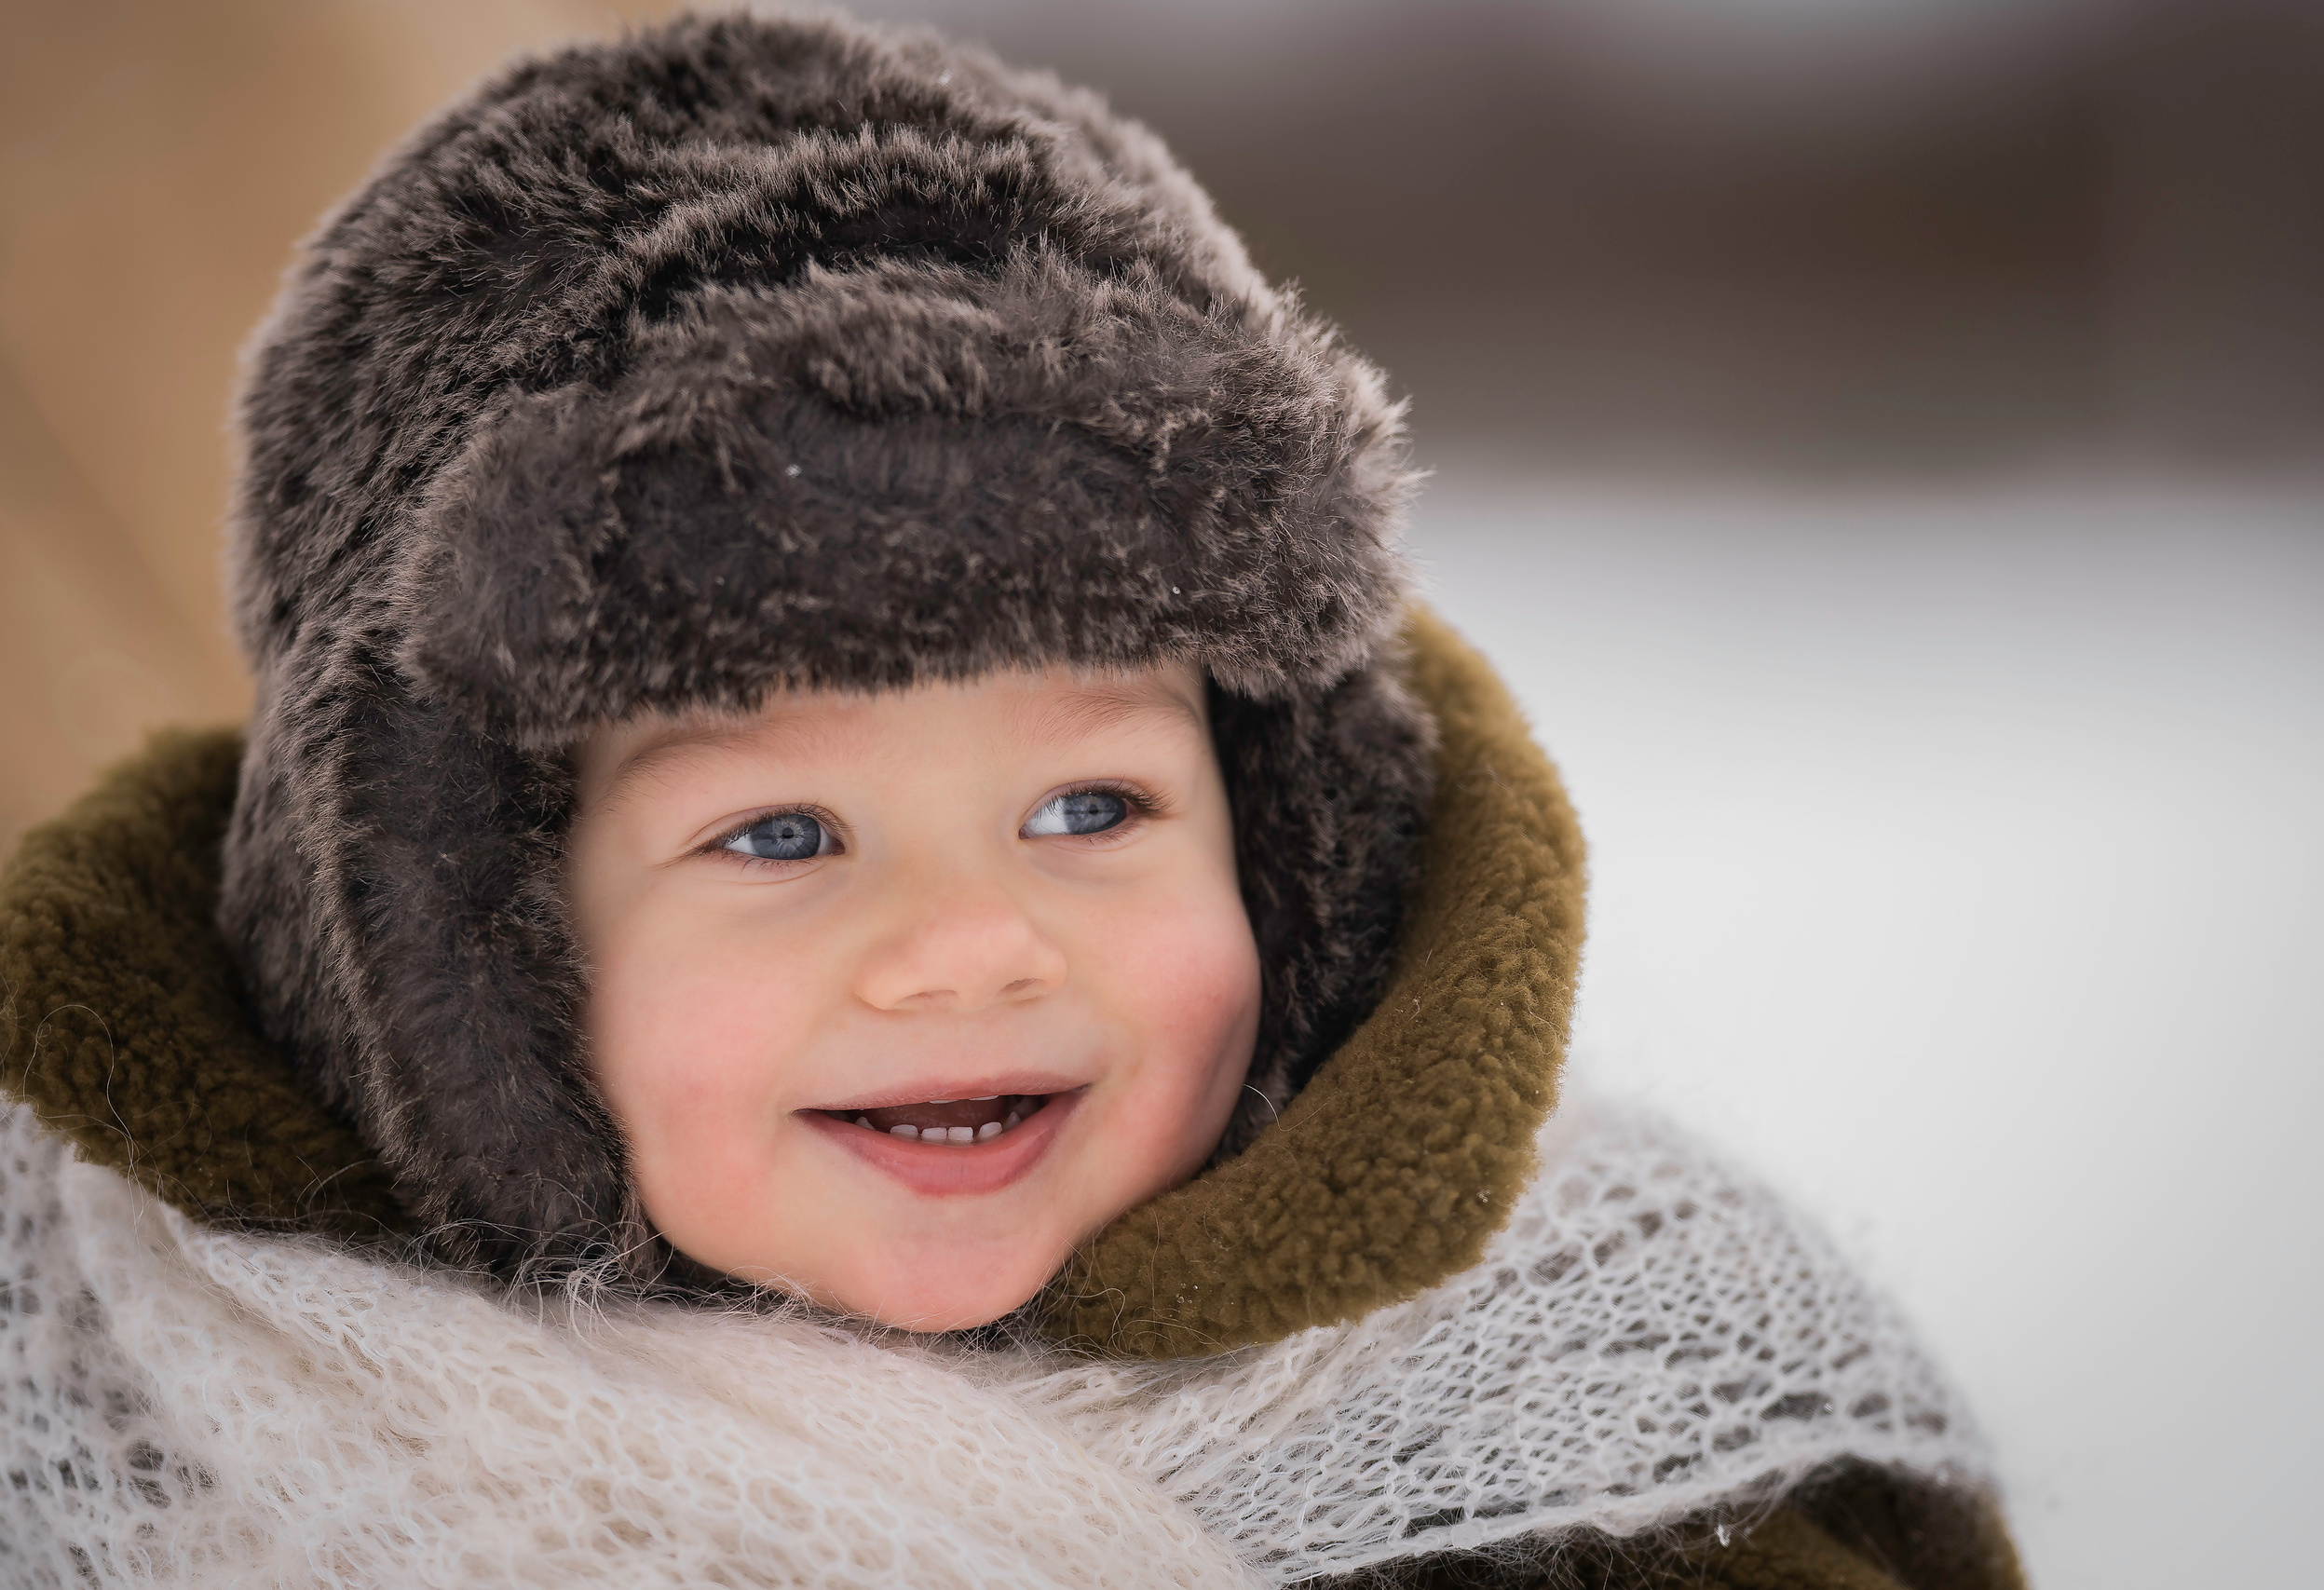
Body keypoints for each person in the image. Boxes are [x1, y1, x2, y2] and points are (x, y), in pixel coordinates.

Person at [0, 12, 2024, 1585]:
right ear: (442, 972)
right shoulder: (159, 1429)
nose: (973, 939)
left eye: (1090, 807)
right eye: (779, 833)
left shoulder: (1590, 1425)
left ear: (1292, 843)